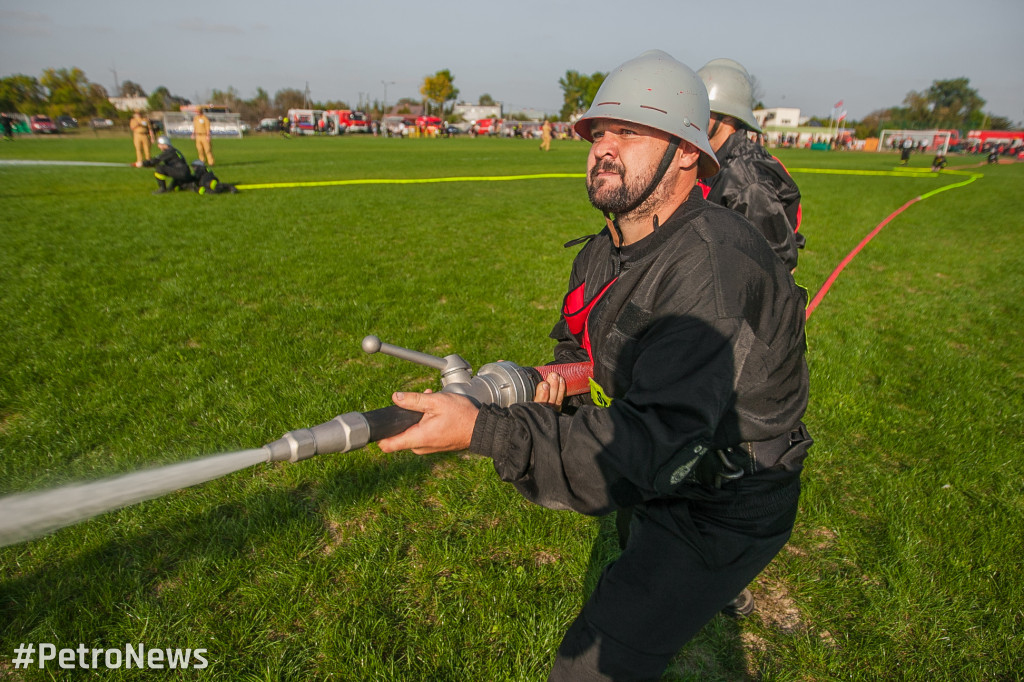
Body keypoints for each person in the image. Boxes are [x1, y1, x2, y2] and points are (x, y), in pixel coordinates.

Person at [377, 50, 811, 681]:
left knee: (593, 660)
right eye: (599, 132)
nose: (604, 147)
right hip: (665, 473)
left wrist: (483, 431)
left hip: (723, 499)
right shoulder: (609, 248)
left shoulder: (711, 268)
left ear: (687, 152)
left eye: (629, 132)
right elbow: (576, 346)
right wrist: (537, 387)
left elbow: (649, 446)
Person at [697, 58, 802, 271]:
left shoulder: (747, 181)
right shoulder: (711, 160)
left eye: (702, 112)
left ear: (727, 117)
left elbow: (777, 263)